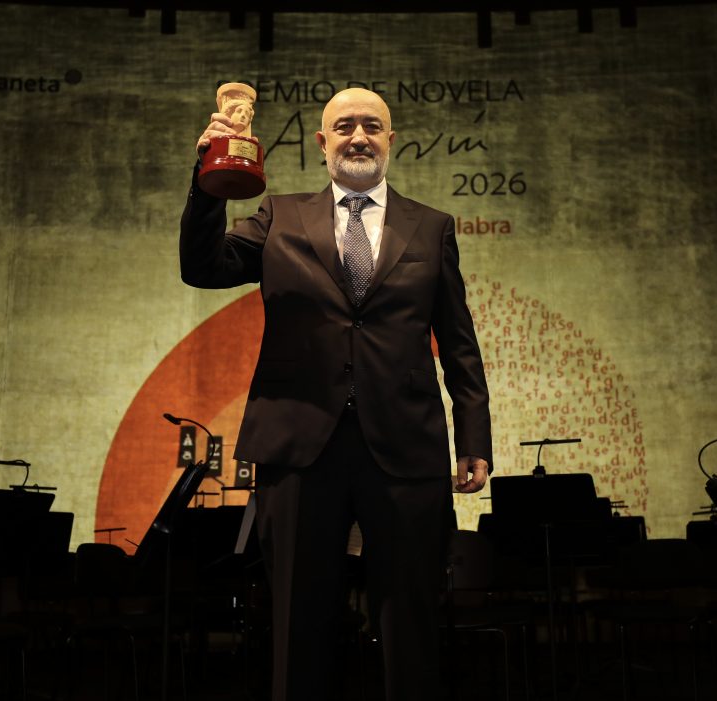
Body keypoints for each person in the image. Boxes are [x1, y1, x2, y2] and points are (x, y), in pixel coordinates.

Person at [180, 87, 492, 701]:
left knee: (411, 623)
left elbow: (459, 342)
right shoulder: (280, 215)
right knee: (298, 623)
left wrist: (473, 438)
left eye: (372, 126)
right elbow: (203, 267)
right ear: (322, 143)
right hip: (300, 447)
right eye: (344, 127)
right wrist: (209, 177)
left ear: (391, 140)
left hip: (405, 447)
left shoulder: (431, 226)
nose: (358, 137)